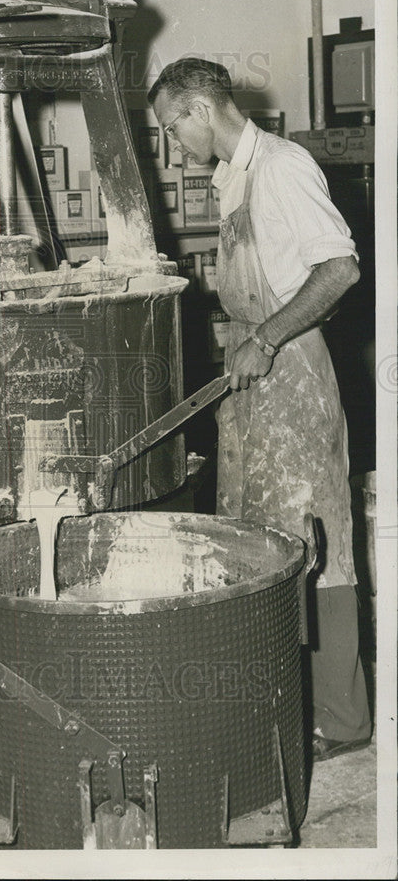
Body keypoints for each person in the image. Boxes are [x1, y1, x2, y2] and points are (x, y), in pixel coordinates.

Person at [149, 57, 371, 761]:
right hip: (253, 371)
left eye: (169, 128)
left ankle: (341, 720)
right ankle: (282, 702)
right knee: (259, 543)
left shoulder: (280, 165)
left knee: (318, 548)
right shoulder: (233, 179)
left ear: (196, 110)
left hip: (293, 368)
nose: (171, 144)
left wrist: (269, 338)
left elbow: (339, 268)